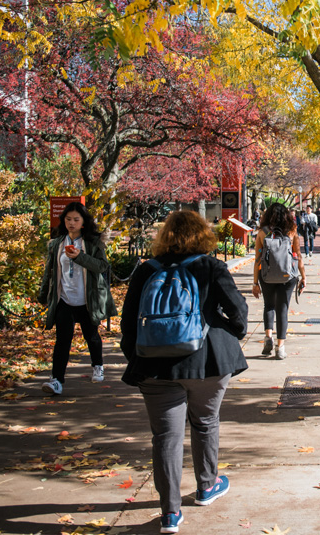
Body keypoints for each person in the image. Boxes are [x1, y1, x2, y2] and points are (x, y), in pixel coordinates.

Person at [119, 211, 248, 534]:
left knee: (166, 437)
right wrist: (229, 331)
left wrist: (139, 355)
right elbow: (238, 311)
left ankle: (170, 514)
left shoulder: (145, 270)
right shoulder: (211, 267)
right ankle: (207, 485)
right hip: (207, 361)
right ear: (202, 234)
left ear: (164, 236)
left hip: (155, 366)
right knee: (205, 422)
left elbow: (127, 323)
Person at [37, 202, 116, 395]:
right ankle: (56, 380)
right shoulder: (57, 244)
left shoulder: (91, 243)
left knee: (92, 336)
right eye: (68, 219)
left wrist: (79, 256)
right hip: (64, 299)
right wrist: (43, 294)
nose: (71, 223)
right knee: (62, 340)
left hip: (88, 299)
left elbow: (102, 267)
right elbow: (50, 271)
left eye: (76, 220)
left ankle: (98, 364)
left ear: (83, 223)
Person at [251, 202, 306, 360]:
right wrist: (303, 276)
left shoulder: (262, 232)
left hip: (266, 275)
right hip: (287, 275)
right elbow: (298, 255)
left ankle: (268, 337)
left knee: (269, 305)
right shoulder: (292, 231)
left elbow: (257, 260)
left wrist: (255, 283)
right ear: (287, 215)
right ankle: (280, 347)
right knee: (282, 309)